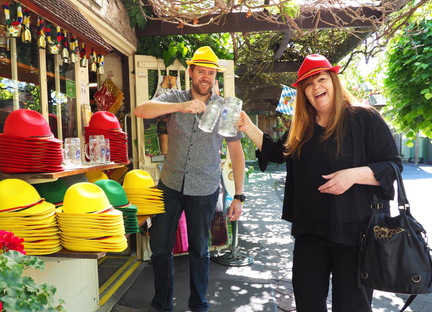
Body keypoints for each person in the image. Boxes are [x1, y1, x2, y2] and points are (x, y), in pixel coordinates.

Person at [237, 54, 402, 312]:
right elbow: (276, 153)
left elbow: (392, 166)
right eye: (308, 84)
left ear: (334, 82)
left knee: (352, 307)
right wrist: (247, 126)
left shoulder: (365, 118)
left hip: (355, 234)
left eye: (321, 79)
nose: (316, 87)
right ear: (303, 92)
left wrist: (353, 176)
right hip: (310, 234)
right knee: (307, 305)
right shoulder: (302, 128)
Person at [134, 46, 246, 312]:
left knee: (199, 250)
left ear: (215, 76)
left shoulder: (225, 109)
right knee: (160, 247)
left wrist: (239, 196)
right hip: (170, 185)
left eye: (211, 72)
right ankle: (161, 304)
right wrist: (180, 106)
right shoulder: (175, 96)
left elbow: (236, 153)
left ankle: (199, 305)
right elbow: (140, 110)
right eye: (201, 71)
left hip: (204, 187)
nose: (205, 76)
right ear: (191, 72)